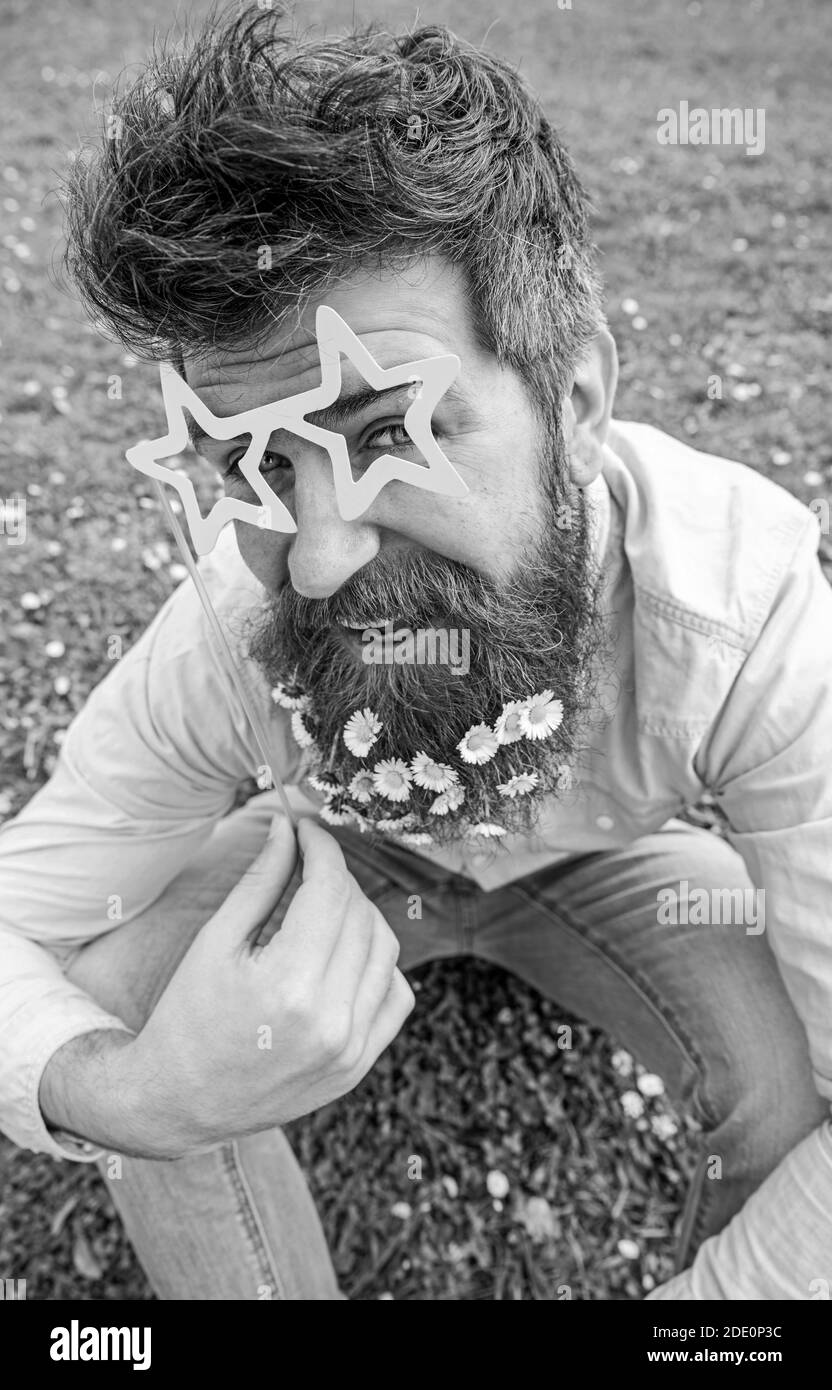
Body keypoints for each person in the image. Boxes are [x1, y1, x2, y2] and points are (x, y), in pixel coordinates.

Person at [1, 5, 830, 1301]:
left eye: (390, 430)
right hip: (337, 857)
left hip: (612, 867)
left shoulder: (748, 611)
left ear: (578, 401)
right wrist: (136, 1090)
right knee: (123, 1001)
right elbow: (16, 921)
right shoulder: (231, 631)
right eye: (261, 463)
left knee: (779, 1081)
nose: (320, 560)